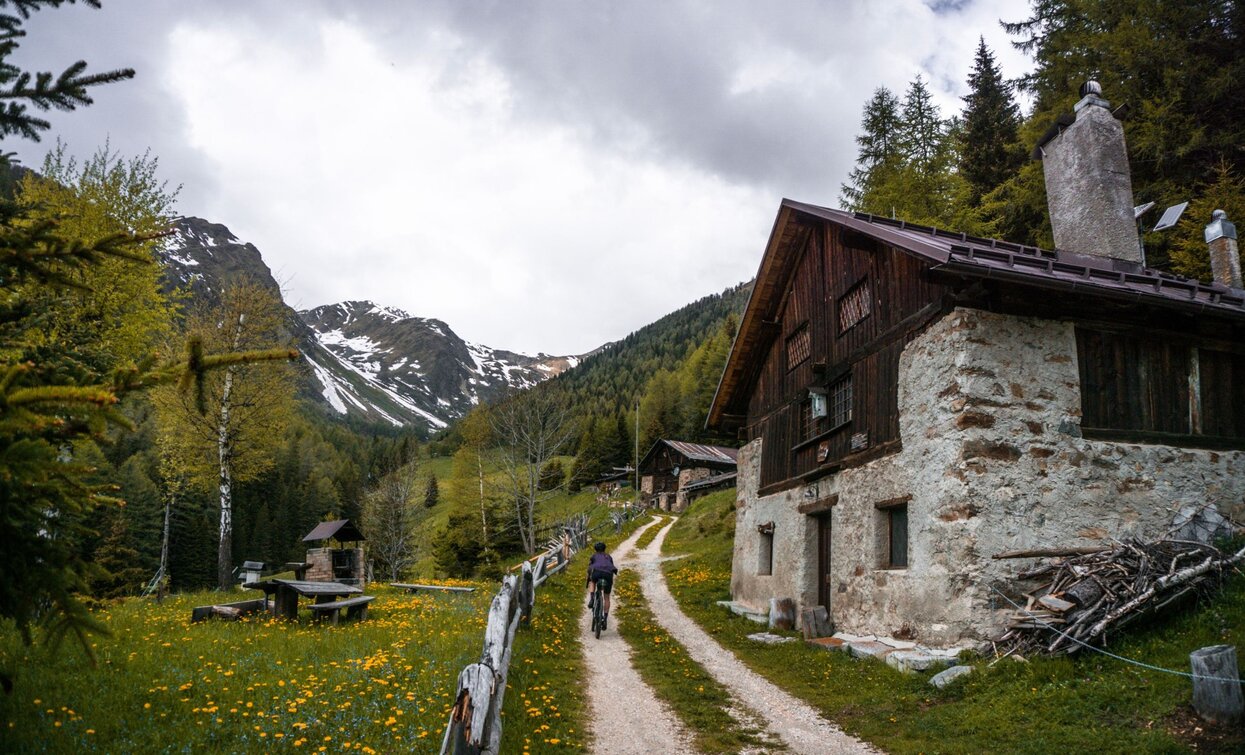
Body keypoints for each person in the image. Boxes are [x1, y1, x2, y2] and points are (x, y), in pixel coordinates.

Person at [585, 541, 618, 624]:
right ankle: (605, 618)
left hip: (596, 572)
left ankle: (592, 598)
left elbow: (590, 568)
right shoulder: (608, 556)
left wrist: (588, 579)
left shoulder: (594, 556)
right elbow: (611, 567)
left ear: (595, 549)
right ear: (604, 549)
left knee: (592, 581)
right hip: (608, 574)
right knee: (606, 597)